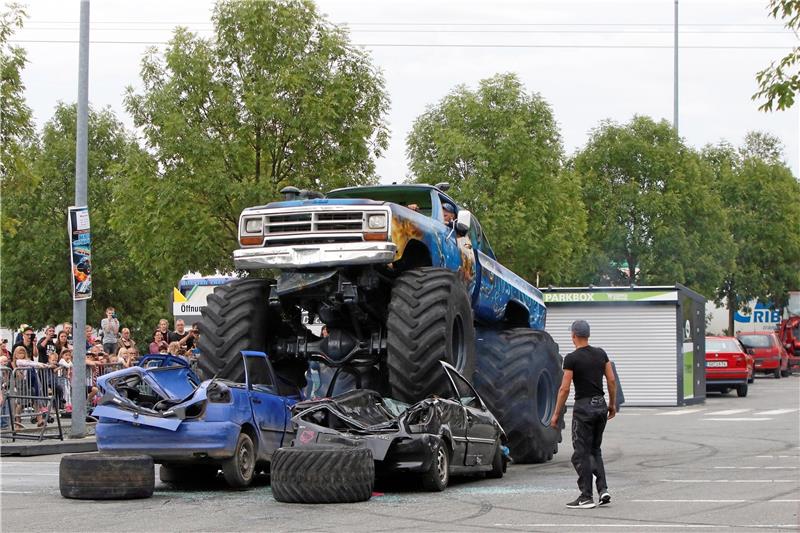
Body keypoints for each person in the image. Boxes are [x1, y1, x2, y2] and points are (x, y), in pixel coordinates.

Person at [550, 319, 617, 510]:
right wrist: (612, 404)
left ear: (573, 336)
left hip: (584, 408)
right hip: (600, 406)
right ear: (588, 335)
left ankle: (586, 496)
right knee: (595, 450)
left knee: (581, 453)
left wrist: (556, 414)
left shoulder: (571, 358)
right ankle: (603, 489)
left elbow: (564, 388)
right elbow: (611, 380)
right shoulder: (601, 354)